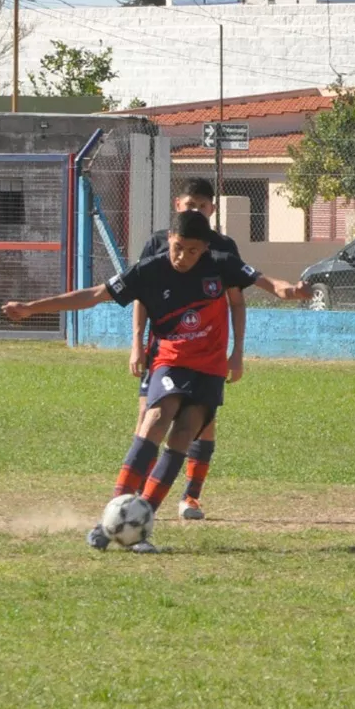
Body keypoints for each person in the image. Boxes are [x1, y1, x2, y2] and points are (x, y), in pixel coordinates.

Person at [2, 210, 309, 553]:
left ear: (204, 248)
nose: (184, 257)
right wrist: (32, 308)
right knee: (155, 421)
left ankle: (140, 525)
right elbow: (94, 294)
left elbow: (269, 284)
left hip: (208, 368)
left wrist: (290, 291)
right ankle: (110, 519)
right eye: (178, 248)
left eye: (193, 251)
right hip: (170, 361)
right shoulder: (151, 269)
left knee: (183, 433)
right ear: (170, 241)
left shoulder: (222, 263)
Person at [133, 178, 242, 521]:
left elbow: (236, 299)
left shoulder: (224, 248)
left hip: (206, 354)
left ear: (212, 209)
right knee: (148, 418)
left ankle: (190, 497)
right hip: (163, 349)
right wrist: (136, 342)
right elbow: (140, 293)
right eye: (190, 204)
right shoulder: (158, 243)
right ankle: (135, 497)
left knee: (201, 424)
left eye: (202, 205)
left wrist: (236, 352)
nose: (196, 210)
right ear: (177, 204)